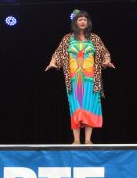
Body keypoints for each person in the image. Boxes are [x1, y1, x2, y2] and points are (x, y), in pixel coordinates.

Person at [46, 9, 115, 145]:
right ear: (75, 22)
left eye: (85, 19)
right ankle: (76, 140)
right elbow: (58, 53)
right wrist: (53, 63)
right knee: (76, 107)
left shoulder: (94, 38)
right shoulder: (67, 38)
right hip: (73, 78)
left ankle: (88, 140)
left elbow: (105, 52)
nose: (82, 22)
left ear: (88, 22)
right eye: (80, 19)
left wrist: (106, 61)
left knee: (89, 106)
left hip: (91, 78)